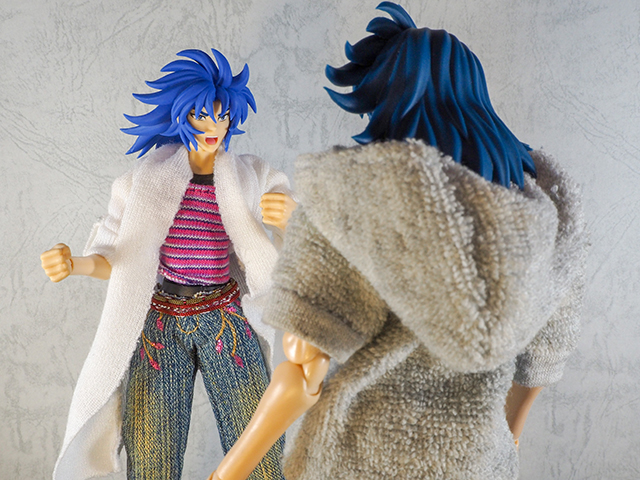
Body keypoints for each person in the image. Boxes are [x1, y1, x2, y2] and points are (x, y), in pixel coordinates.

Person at [207, 3, 588, 480]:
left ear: (387, 102)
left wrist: (227, 473)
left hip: (357, 456)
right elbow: (542, 359)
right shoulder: (547, 214)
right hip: (477, 462)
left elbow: (302, 371)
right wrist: (505, 445)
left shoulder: (355, 201)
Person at [40, 48, 293, 480]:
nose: (215, 126)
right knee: (151, 455)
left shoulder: (250, 176)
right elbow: (118, 259)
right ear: (181, 116)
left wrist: (289, 218)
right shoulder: (142, 183)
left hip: (224, 317)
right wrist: (75, 264)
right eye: (202, 115)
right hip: (161, 322)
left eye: (223, 117)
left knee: (259, 444)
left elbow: (298, 232)